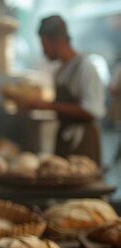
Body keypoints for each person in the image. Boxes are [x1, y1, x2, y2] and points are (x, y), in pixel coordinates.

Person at [30, 15, 107, 166]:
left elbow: (92, 111)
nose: (43, 51)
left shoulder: (85, 68)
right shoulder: (60, 70)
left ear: (56, 42)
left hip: (83, 143)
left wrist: (49, 106)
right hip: (64, 139)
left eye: (44, 44)